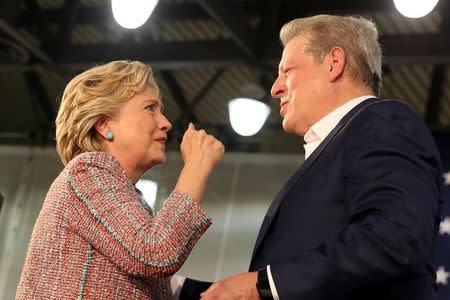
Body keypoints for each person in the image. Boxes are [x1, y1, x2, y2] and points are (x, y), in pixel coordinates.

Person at [198, 14, 444, 300]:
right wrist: (173, 287)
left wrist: (264, 285)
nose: (275, 88)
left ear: (333, 63)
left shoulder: (383, 121)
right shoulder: (345, 142)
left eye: (287, 70)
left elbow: (396, 239)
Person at [15, 60, 224, 299]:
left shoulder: (111, 187)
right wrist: (196, 167)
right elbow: (155, 251)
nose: (166, 123)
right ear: (104, 125)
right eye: (150, 108)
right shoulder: (88, 171)